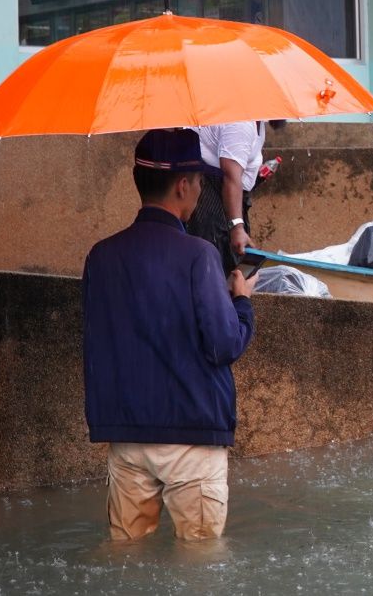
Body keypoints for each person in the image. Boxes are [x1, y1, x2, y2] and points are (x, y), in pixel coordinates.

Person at [83, 128, 257, 541]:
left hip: (126, 436)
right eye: (198, 182)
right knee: (200, 563)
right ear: (183, 186)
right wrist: (241, 302)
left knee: (126, 556)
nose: (199, 191)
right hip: (192, 438)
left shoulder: (101, 256)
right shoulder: (199, 254)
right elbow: (225, 344)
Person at [188, 120, 286, 273]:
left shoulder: (257, 122)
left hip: (228, 200)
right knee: (215, 266)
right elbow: (230, 177)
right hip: (212, 199)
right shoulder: (241, 124)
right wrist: (237, 228)